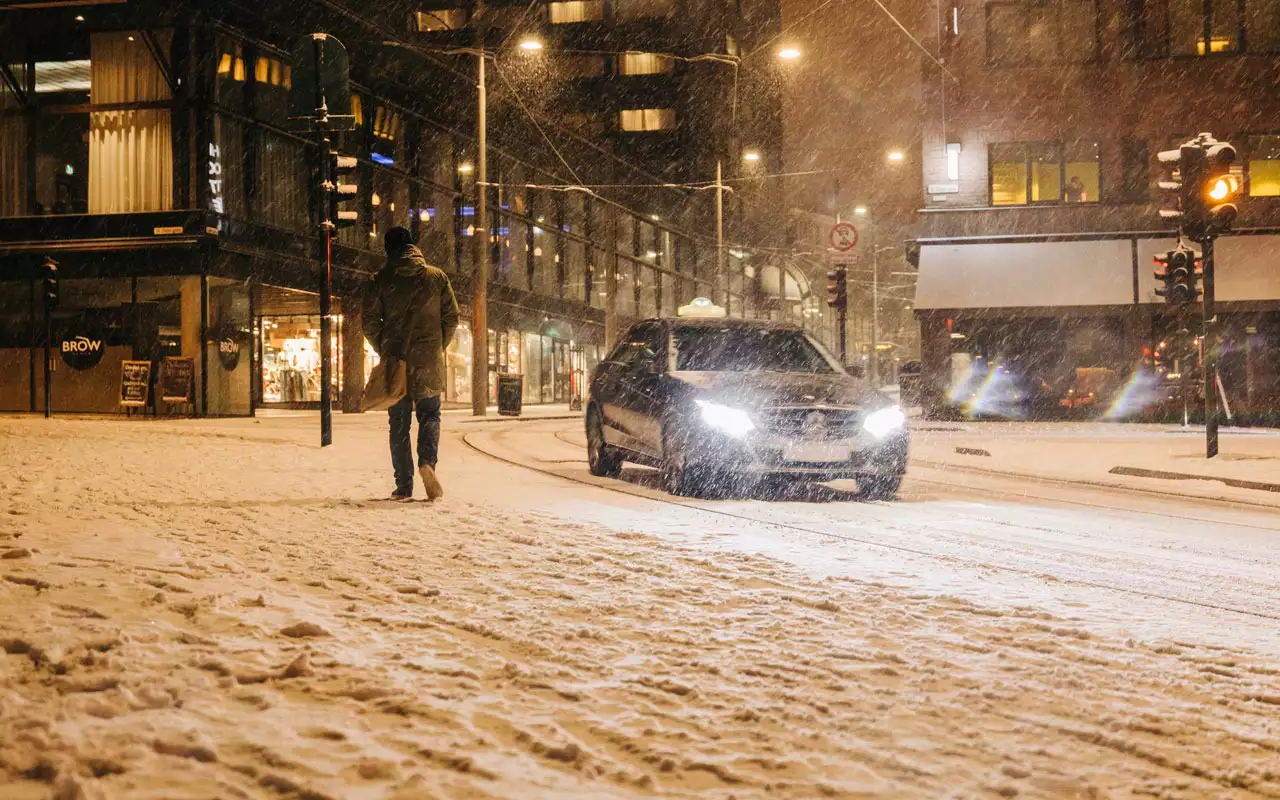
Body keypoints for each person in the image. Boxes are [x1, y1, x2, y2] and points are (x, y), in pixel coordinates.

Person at [363, 226, 460, 501]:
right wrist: (436, 347)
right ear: (413, 246)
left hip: (397, 363)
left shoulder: (379, 280)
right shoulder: (436, 277)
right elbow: (452, 316)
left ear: (388, 250)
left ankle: (404, 485)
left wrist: (386, 348)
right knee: (430, 415)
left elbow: (369, 322)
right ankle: (427, 462)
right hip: (428, 361)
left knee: (399, 424)